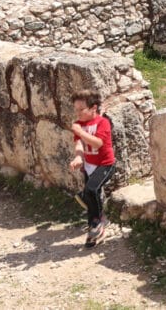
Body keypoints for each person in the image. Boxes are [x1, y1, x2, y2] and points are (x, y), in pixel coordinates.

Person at [68, 89, 116, 248]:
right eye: (76, 110)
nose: (78, 113)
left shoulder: (103, 123)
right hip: (89, 166)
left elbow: (98, 143)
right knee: (90, 196)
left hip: (105, 164)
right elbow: (79, 144)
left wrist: (81, 132)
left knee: (91, 190)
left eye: (81, 109)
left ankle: (98, 222)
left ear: (93, 108)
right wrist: (78, 157)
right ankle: (93, 231)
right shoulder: (78, 125)